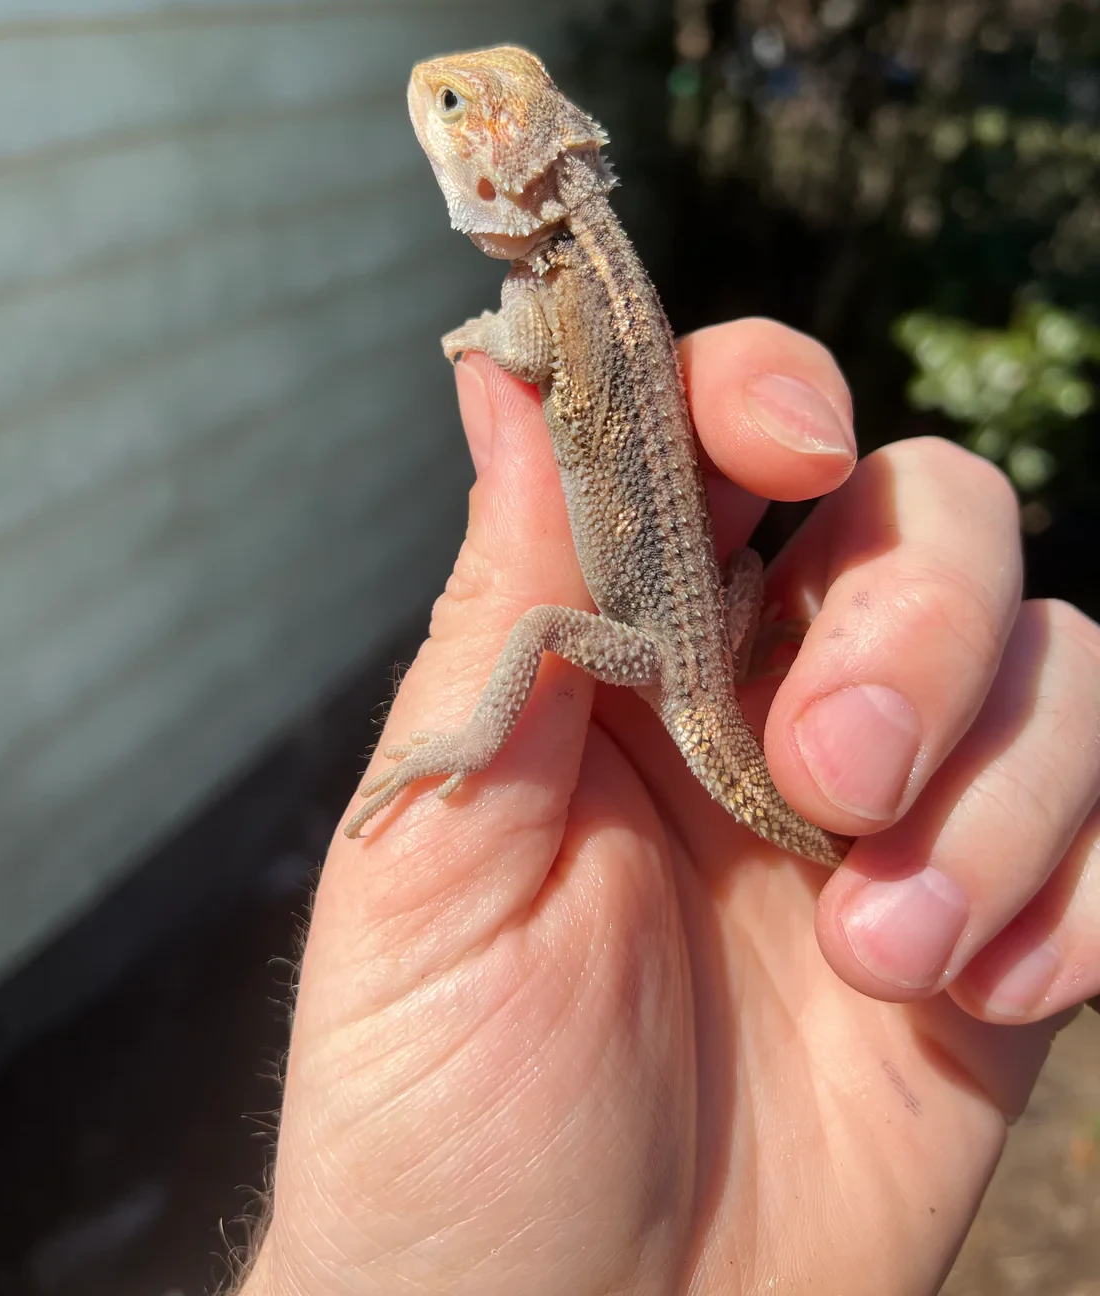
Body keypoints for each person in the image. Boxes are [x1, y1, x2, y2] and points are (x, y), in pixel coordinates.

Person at [239, 320, 1100, 1295]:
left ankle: (477, 742)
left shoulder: (565, 288)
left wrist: (488, 339)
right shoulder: (575, 283)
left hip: (668, 663)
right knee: (724, 577)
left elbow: (527, 356)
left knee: (547, 623)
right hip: (699, 653)